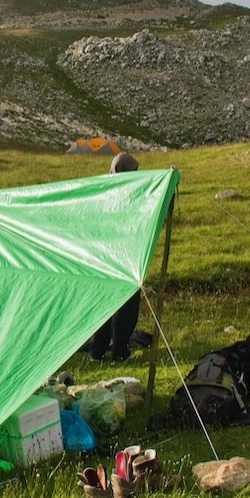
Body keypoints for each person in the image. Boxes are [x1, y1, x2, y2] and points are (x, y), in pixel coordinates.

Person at [90, 151, 143, 362]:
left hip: (102, 257)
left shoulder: (103, 192)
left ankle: (97, 351)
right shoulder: (126, 194)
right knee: (126, 303)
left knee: (104, 303)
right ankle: (119, 351)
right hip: (122, 256)